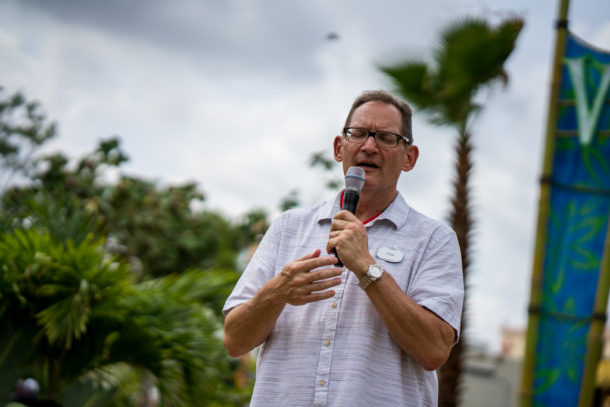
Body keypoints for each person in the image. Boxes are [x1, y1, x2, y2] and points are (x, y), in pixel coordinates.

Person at [222, 90, 464, 406]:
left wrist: (367, 268)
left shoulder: (435, 239)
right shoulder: (288, 228)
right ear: (340, 148)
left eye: (386, 138)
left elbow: (434, 351)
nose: (369, 146)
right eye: (358, 134)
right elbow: (234, 341)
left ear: (409, 157)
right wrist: (276, 292)